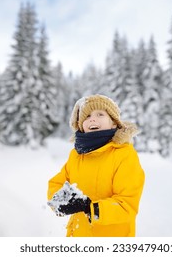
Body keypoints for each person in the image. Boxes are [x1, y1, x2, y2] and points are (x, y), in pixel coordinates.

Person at [47, 94, 145, 237]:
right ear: (81, 126)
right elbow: (57, 183)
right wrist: (59, 199)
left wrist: (91, 208)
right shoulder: (76, 156)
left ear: (113, 123)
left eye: (100, 114)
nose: (92, 118)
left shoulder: (124, 155)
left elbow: (127, 204)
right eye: (86, 116)